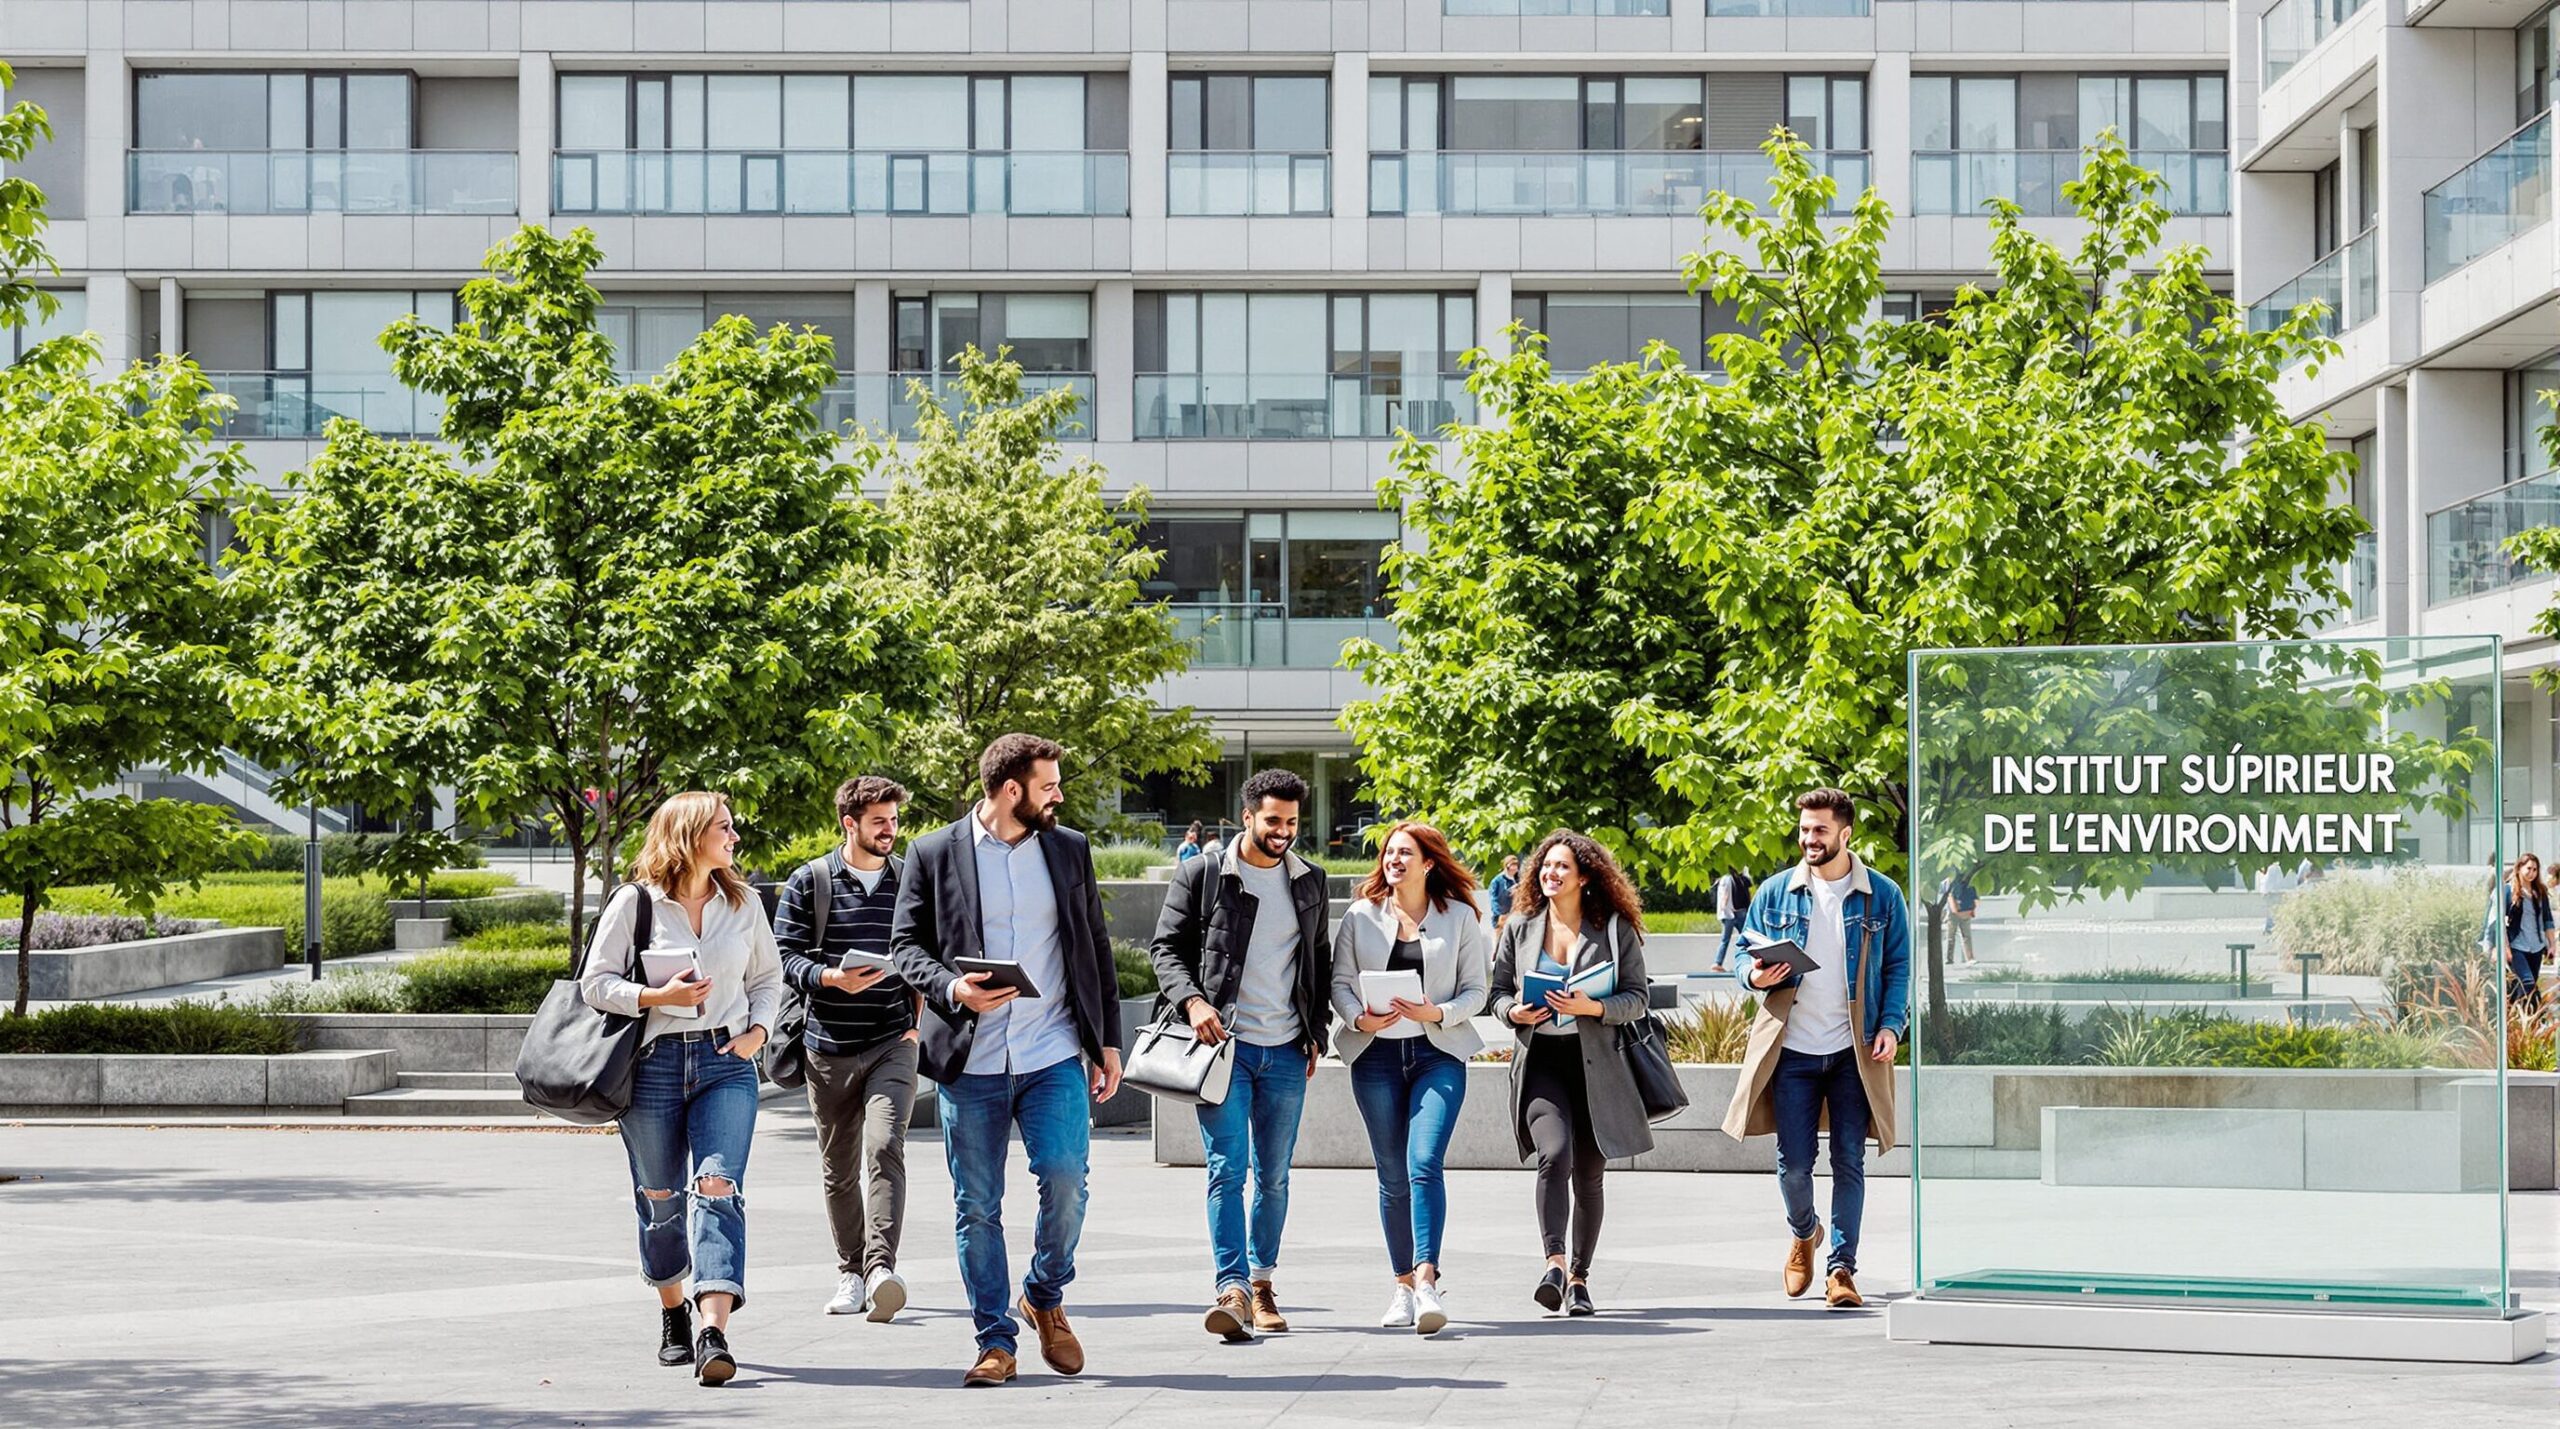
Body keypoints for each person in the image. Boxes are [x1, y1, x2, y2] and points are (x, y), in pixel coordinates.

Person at [890, 734, 1125, 1388]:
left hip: (1053, 1050)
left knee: (1067, 1176)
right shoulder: (934, 852)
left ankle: (1045, 1291)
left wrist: (1107, 1042)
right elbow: (905, 946)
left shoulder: (1069, 848)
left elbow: (1095, 947)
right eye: (1049, 784)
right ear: (1012, 789)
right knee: (977, 1205)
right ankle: (996, 1339)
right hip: (973, 1061)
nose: (1059, 795)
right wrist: (953, 988)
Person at [577, 791, 783, 1385]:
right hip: (653, 1064)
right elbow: (596, 983)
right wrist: (654, 997)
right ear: (691, 835)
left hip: (726, 1060)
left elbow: (766, 978)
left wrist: (759, 1032)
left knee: (717, 1186)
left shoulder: (742, 903)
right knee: (661, 1200)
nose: (734, 837)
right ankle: (674, 1313)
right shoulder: (633, 902)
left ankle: (714, 1329)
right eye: (724, 827)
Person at [1148, 769, 1331, 1342]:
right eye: (1273, 820)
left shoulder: (1310, 881)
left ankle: (1261, 1282)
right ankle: (1229, 1288)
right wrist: (1193, 1001)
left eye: (1292, 822)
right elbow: (1165, 949)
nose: (1283, 832)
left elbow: (1317, 962)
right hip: (1221, 1050)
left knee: (1273, 1177)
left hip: (1285, 1050)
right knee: (1228, 1170)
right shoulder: (1203, 873)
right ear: (1247, 816)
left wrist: (1316, 1032)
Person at [1722, 787, 1911, 1311]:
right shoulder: (1776, 891)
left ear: (1845, 834)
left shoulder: (1882, 896)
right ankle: (1805, 1232)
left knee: (1850, 1160)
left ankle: (1842, 1270)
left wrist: (1892, 1025)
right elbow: (1744, 953)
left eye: (1819, 830)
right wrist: (1754, 974)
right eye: (1804, 829)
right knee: (1794, 1166)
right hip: (1794, 1052)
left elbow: (1898, 968)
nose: (1809, 839)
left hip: (1854, 1053)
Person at [1486, 829, 1654, 1318]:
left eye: (1562, 867)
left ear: (1585, 877)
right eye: (1546, 866)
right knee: (1553, 1154)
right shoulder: (1520, 926)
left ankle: (1580, 1279)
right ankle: (1554, 1264)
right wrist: (1512, 1013)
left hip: (1597, 1066)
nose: (1551, 874)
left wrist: (1593, 1005)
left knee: (1589, 1175)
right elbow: (1496, 992)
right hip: (1541, 1062)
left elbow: (1638, 998)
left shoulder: (1615, 927)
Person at [1331, 821, 1489, 1336]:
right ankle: (1401, 1285)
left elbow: (1476, 991)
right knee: (1391, 1173)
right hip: (1375, 1056)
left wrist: (1435, 1012)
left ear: (1428, 863)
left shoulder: (1459, 917)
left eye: (1406, 853)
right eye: (1388, 853)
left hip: (1437, 1054)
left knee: (1424, 1161)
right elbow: (1339, 983)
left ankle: (1426, 1281)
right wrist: (1358, 1018)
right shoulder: (1359, 916)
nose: (1394, 860)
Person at [775, 775, 920, 1322]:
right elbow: (784, 957)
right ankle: (851, 1271)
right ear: (849, 824)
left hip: (892, 1040)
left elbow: (929, 955)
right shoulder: (809, 882)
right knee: (838, 1167)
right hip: (827, 1046)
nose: (890, 831)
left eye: (894, 821)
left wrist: (916, 1024)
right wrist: (831, 978)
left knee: (885, 1146)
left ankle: (882, 1267)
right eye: (879, 821)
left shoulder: (910, 880)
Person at [2505, 853, 2550, 1011]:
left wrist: (2552, 945)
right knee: (2528, 982)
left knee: (2524, 987)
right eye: (2528, 868)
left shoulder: (2540, 892)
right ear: (2519, 868)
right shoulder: (2508, 891)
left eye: (2535, 869)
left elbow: (2547, 920)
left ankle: (2518, 1017)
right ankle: (2536, 1015)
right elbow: (2499, 923)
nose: (2532, 873)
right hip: (2517, 946)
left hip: (2536, 947)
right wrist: (2505, 947)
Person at [1713, 869, 1755, 972]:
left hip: (1732, 913)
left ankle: (1718, 963)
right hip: (1735, 912)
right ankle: (1752, 962)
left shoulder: (1731, 879)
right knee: (1746, 938)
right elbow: (1726, 895)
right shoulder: (1731, 879)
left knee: (1728, 939)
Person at [1940, 872, 1978, 964]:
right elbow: (1947, 898)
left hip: (1958, 912)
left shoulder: (1950, 882)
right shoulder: (1950, 882)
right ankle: (1953, 958)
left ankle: (1963, 958)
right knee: (1956, 936)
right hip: (1959, 912)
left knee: (1955, 936)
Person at [1487, 855, 1520, 931]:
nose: (1515, 868)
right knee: (1500, 939)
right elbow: (1493, 899)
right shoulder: (1497, 881)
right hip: (1502, 916)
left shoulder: (1518, 879)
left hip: (1515, 915)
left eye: (1516, 865)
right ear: (1507, 865)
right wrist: (1499, 914)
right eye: (1513, 865)